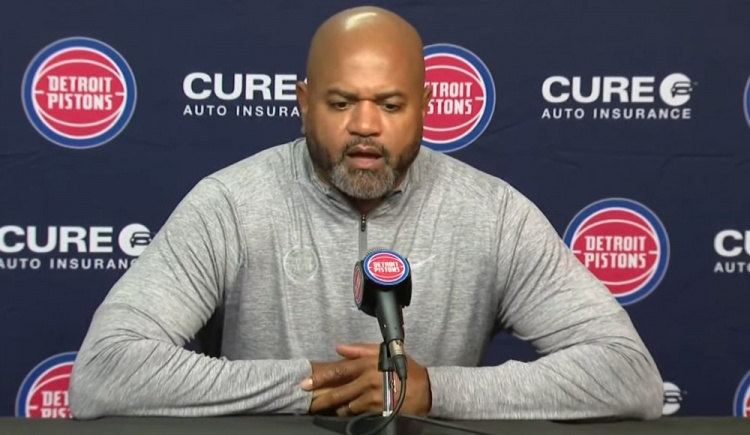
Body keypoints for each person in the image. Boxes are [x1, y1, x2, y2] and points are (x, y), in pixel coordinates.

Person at [68, 5, 664, 421]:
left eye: (391, 104)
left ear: (425, 106)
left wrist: (430, 392)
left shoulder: (494, 214)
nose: (365, 125)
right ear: (304, 103)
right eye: (340, 102)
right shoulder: (228, 203)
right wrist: (315, 386)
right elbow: (104, 372)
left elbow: (628, 377)